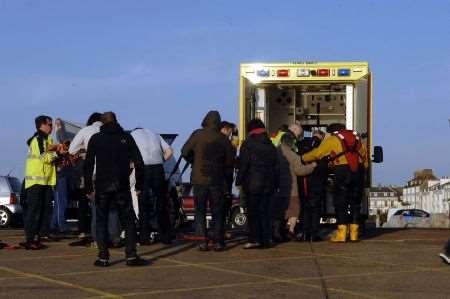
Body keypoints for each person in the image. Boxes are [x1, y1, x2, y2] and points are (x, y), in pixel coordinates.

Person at [84, 112, 147, 267]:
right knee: (128, 220)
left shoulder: (96, 139)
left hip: (102, 185)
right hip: (122, 185)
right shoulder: (126, 138)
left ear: (102, 123)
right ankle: (131, 256)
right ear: (117, 121)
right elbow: (139, 163)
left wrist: (88, 187)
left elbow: (88, 165)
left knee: (101, 220)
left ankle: (103, 257)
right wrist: (139, 185)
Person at [302, 123, 365, 242]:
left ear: (332, 132)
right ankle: (354, 235)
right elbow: (364, 155)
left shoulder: (333, 139)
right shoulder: (357, 139)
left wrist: (303, 158)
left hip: (342, 171)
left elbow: (318, 153)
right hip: (359, 171)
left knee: (341, 202)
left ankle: (341, 235)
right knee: (356, 202)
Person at [181, 111, 234, 251]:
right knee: (218, 211)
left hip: (199, 178)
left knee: (200, 211)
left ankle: (202, 242)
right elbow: (230, 160)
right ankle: (218, 242)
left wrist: (194, 161)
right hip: (217, 179)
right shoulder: (223, 139)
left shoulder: (197, 135)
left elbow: (184, 151)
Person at [69, 113, 122, 246]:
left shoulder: (86, 131)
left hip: (95, 175)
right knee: (113, 208)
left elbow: (71, 150)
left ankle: (98, 240)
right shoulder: (113, 133)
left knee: (97, 208)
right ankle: (115, 238)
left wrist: (83, 150)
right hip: (114, 174)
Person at [236, 119, 279, 249]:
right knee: (266, 212)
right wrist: (276, 184)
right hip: (269, 184)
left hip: (253, 184)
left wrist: (238, 181)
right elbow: (276, 167)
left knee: (253, 212)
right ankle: (267, 239)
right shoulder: (271, 145)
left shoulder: (248, 144)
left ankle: (255, 239)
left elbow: (244, 164)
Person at [21, 115, 62, 249]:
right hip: (35, 182)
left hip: (46, 181)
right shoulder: (38, 139)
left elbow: (49, 159)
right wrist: (58, 154)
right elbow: (44, 157)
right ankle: (30, 239)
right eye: (50, 125)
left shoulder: (48, 140)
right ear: (42, 125)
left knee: (45, 210)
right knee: (34, 210)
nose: (51, 127)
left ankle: (40, 236)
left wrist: (59, 155)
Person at [130, 127, 174, 245]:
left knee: (143, 203)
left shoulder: (132, 135)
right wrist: (160, 160)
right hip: (158, 168)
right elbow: (170, 151)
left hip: (143, 168)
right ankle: (165, 236)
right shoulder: (155, 134)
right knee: (161, 202)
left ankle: (144, 237)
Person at [277, 133, 316, 240]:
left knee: (278, 211)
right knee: (294, 210)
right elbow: (300, 171)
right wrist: (312, 166)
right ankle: (291, 230)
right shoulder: (294, 155)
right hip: (291, 188)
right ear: (291, 143)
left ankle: (276, 232)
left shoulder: (275, 153)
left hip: (276, 188)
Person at [298, 130, 328, 242]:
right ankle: (314, 234)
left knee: (305, 208)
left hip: (303, 181)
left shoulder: (302, 144)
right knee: (315, 208)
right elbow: (324, 166)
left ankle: (305, 233)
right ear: (322, 137)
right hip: (317, 182)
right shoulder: (323, 147)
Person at [219, 121, 237, 236]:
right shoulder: (224, 142)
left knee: (224, 205)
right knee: (223, 205)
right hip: (224, 178)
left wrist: (235, 132)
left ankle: (222, 230)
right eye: (230, 132)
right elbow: (234, 150)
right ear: (225, 129)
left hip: (225, 177)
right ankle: (221, 231)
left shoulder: (220, 141)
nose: (230, 135)